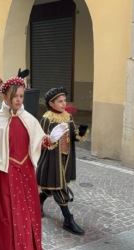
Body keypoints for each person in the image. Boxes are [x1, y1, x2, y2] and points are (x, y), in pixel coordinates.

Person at [0, 76, 69, 250]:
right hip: (4, 173)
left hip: (25, 173)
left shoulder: (28, 119)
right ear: (5, 97)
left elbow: (38, 143)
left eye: (21, 96)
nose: (19, 100)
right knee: (5, 215)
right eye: (15, 96)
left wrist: (50, 139)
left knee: (27, 212)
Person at [36, 87, 88, 236]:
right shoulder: (47, 118)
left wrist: (81, 132)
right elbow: (42, 141)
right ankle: (68, 219)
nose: (64, 103)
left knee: (53, 184)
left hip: (66, 158)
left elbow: (73, 137)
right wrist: (50, 140)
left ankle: (39, 200)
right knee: (59, 187)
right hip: (52, 159)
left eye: (65, 100)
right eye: (60, 101)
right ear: (51, 103)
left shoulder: (68, 116)